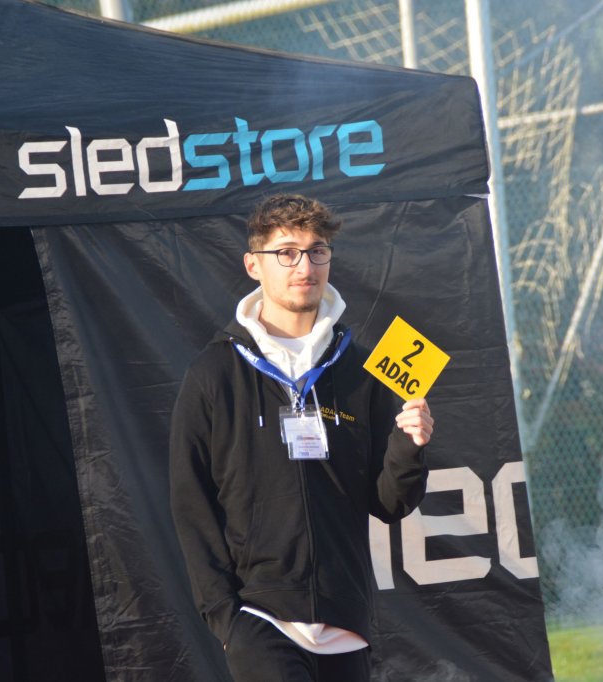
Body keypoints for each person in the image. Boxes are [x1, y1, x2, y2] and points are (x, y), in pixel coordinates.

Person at [169, 193, 433, 682]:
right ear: (254, 264)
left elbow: (390, 503)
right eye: (286, 252)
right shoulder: (214, 373)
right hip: (260, 619)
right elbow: (192, 505)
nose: (304, 266)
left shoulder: (363, 368)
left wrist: (409, 445)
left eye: (317, 251)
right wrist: (227, 619)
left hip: (346, 621)